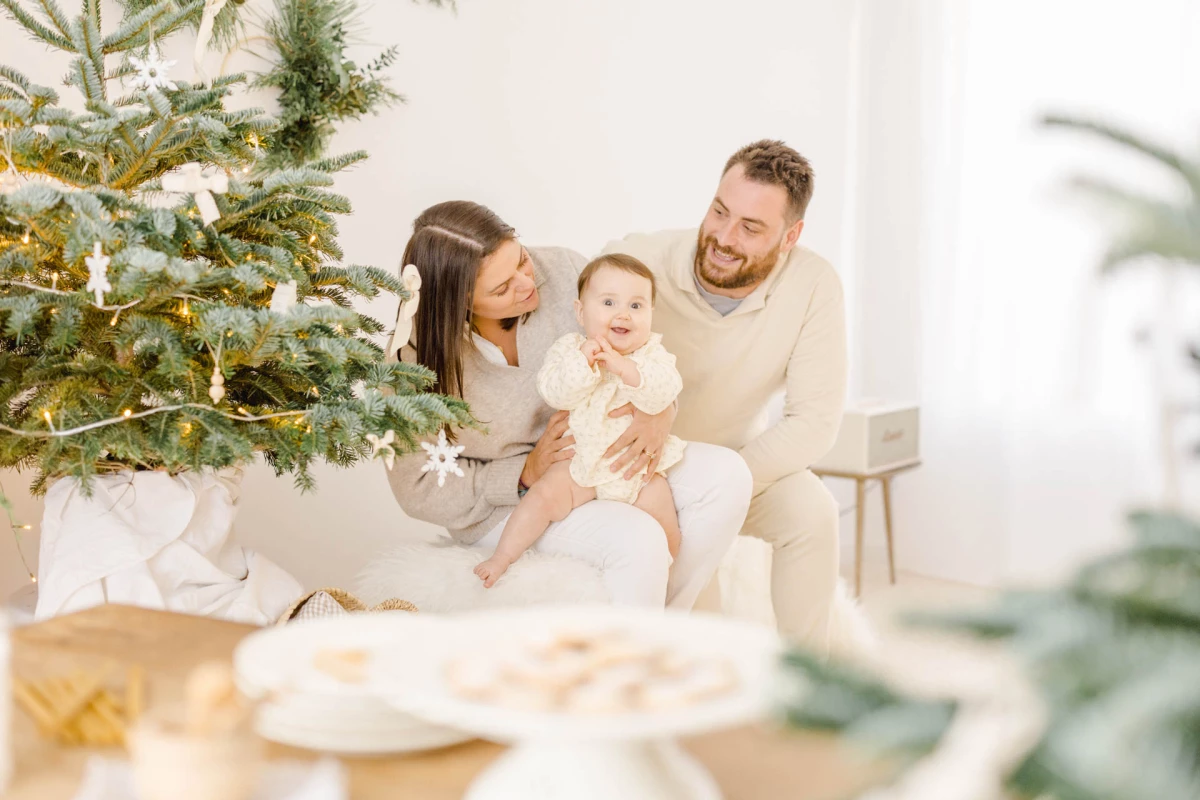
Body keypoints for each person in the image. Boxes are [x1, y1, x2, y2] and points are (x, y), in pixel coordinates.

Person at [385, 201, 752, 608]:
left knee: (728, 476)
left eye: (521, 260)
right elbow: (417, 487)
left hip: (605, 455)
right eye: (501, 289)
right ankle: (638, 638)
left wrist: (659, 413)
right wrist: (521, 474)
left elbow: (645, 353)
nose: (527, 283)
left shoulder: (564, 271)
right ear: (458, 303)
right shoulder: (412, 362)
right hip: (513, 505)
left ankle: (665, 623)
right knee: (638, 538)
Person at [601, 140, 848, 652]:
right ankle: (709, 674)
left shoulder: (813, 284)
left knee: (813, 514)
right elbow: (579, 353)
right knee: (703, 620)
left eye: (750, 228)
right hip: (644, 469)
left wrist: (724, 485)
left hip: (738, 464)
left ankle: (808, 676)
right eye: (719, 211)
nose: (723, 237)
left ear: (790, 236)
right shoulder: (640, 262)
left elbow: (814, 423)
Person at [474, 253, 686, 588]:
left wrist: (625, 368)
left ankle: (666, 586)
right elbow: (555, 393)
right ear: (581, 312)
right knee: (541, 498)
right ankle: (502, 556)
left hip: (633, 470)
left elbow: (665, 389)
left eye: (636, 306)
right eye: (609, 303)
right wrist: (583, 364)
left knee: (667, 530)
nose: (623, 314)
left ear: (650, 314)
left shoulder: (651, 354)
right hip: (577, 462)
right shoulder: (570, 350)